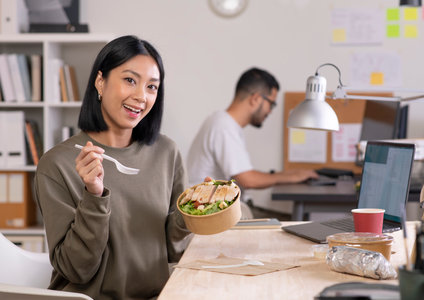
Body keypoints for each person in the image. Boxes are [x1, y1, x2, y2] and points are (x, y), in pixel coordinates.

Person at [33, 35, 192, 300]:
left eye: (152, 87)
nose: (141, 96)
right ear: (100, 82)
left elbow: (174, 249)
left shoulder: (167, 153)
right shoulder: (57, 164)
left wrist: (194, 209)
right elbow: (76, 270)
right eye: (130, 80)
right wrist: (94, 195)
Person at [187, 67, 318, 191]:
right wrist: (292, 176)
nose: (270, 112)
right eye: (271, 104)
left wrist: (289, 174)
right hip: (208, 210)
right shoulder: (223, 126)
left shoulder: (224, 123)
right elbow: (248, 180)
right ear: (256, 99)